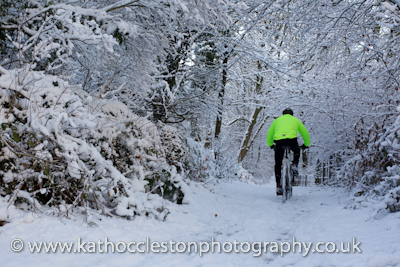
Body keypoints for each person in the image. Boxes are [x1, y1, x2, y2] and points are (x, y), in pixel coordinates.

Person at [266, 108, 310, 195]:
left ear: (283, 114)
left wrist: (270, 144)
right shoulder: (295, 120)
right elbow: (304, 132)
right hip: (292, 140)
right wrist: (306, 144)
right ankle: (294, 164)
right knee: (297, 150)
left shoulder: (277, 120)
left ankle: (278, 185)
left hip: (279, 141)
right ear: (292, 114)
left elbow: (269, 133)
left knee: (278, 163)